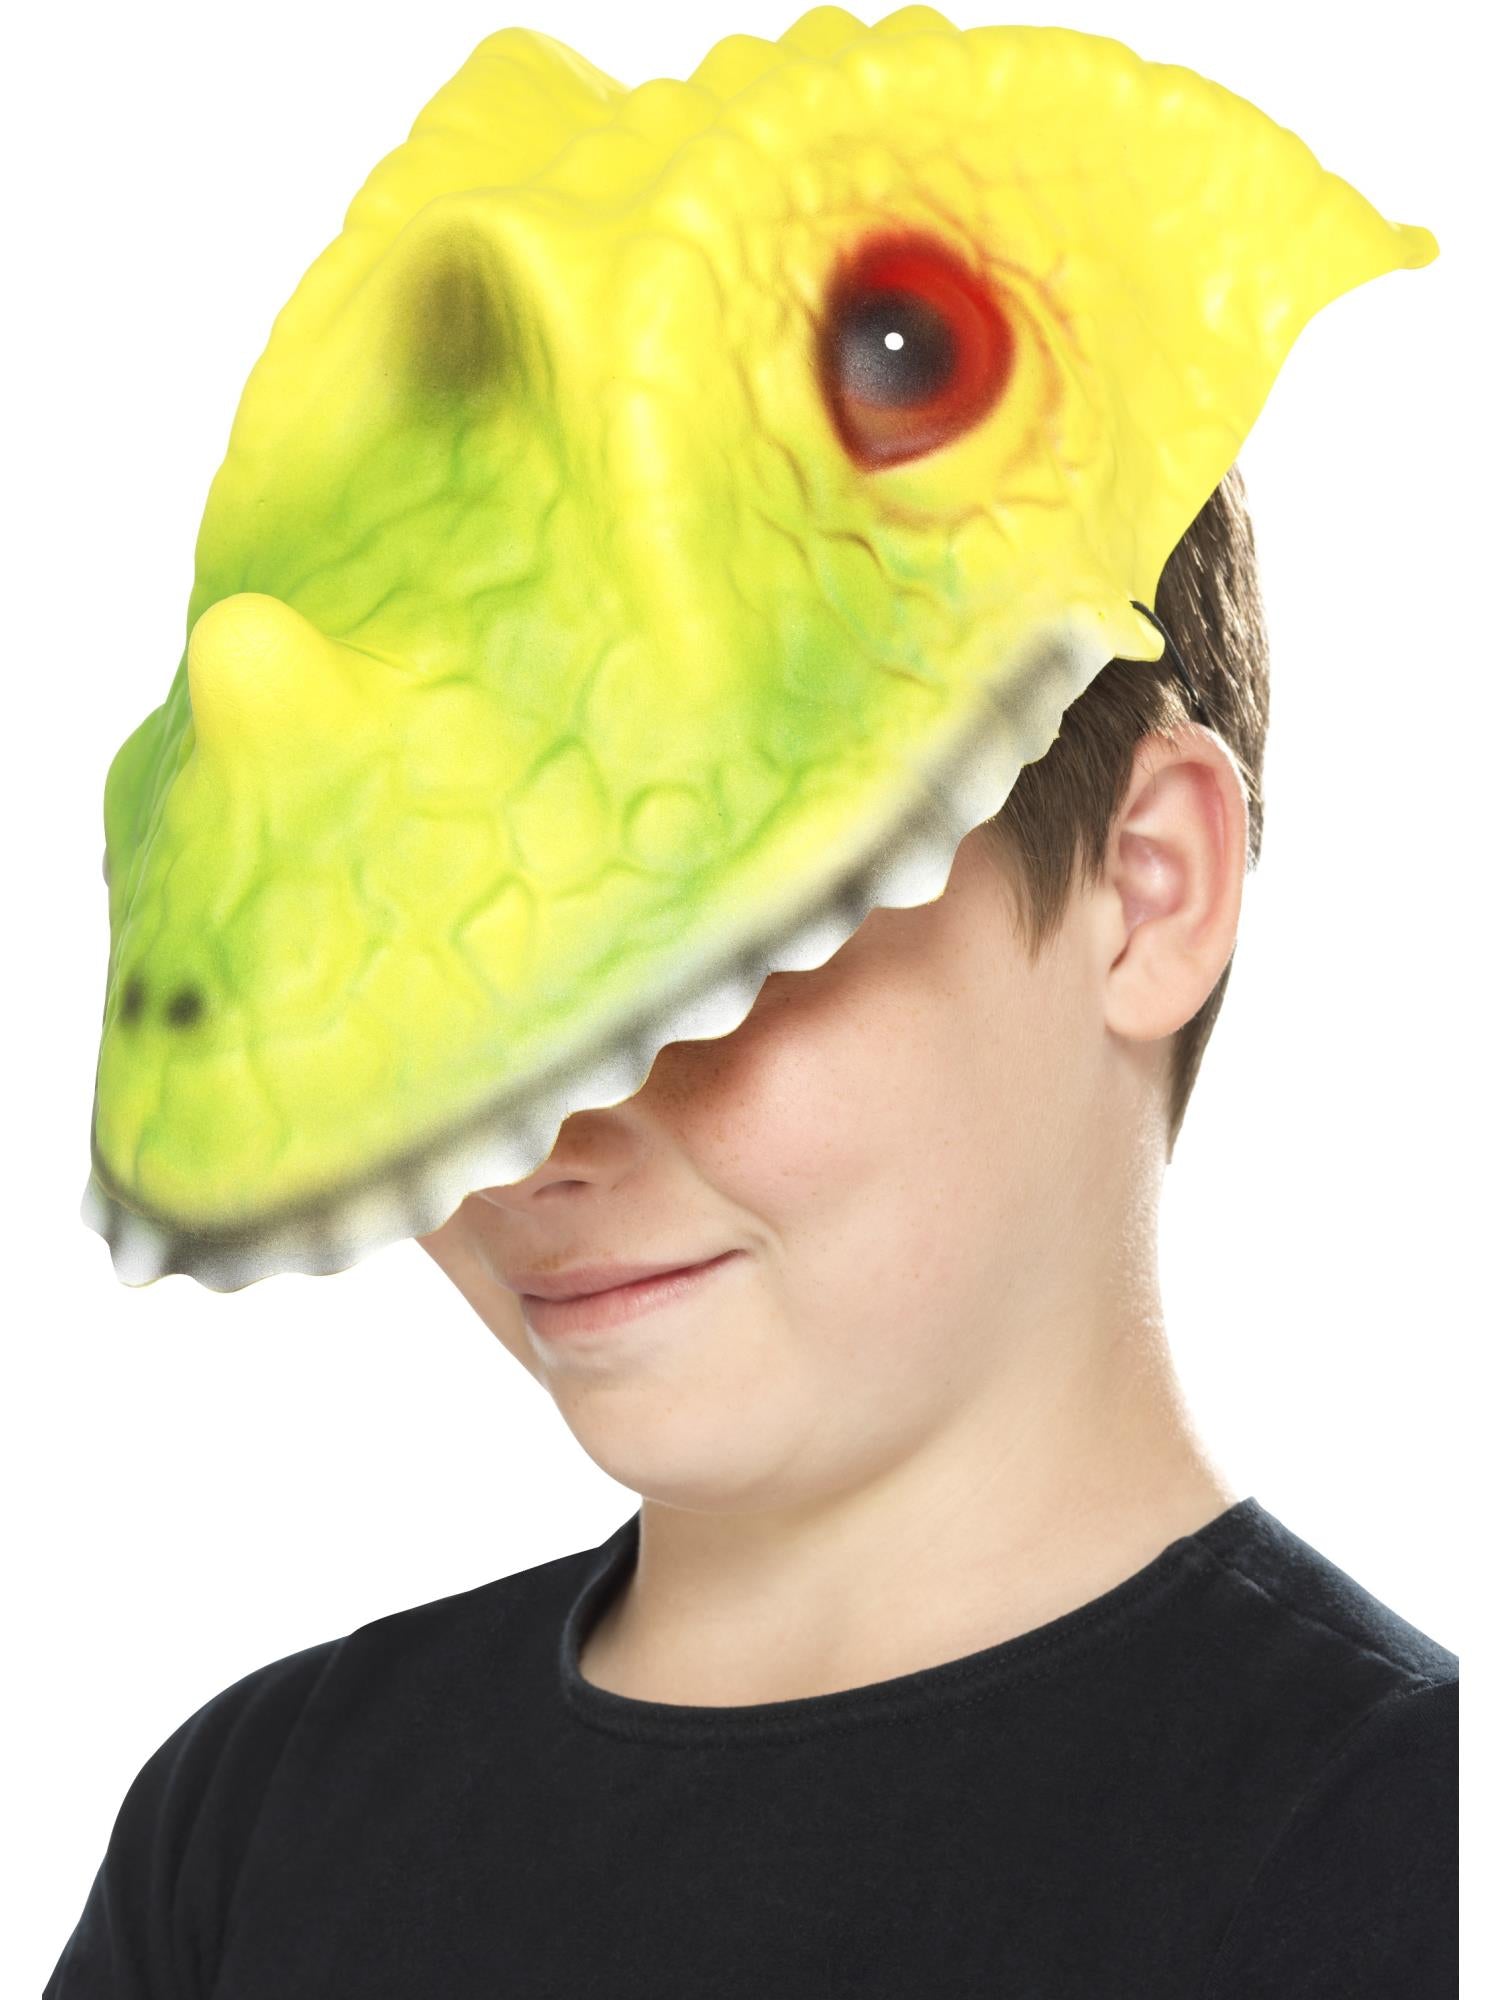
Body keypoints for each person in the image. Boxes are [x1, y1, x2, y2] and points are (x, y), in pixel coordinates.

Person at [44, 463, 1458, 1995]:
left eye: (699, 936)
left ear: (1145, 884)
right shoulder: (255, 1824)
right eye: (427, 971)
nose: (528, 1140)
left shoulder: (1421, 1859)